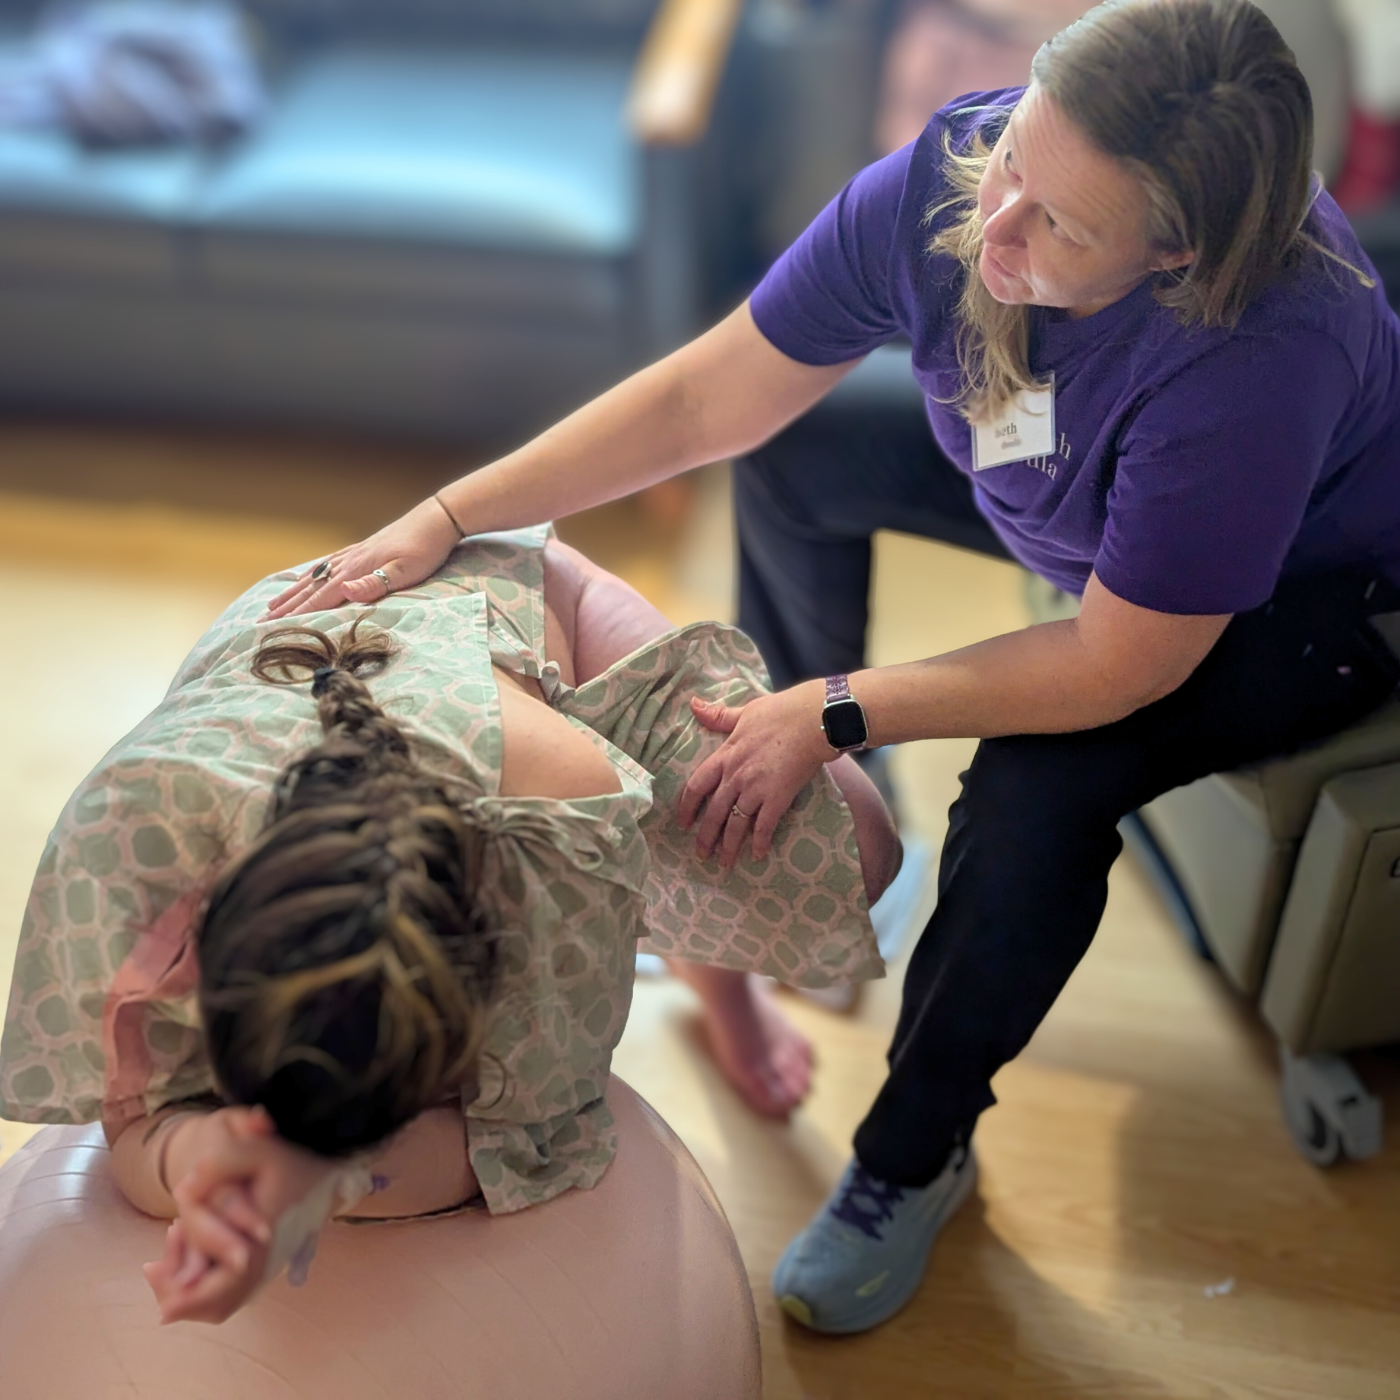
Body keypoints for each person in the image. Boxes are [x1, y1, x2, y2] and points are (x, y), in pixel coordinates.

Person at [256, 0, 1400, 1337]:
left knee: (1036, 796)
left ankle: (911, 1160)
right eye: (1014, 161)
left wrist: (839, 709)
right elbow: (704, 400)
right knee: (797, 452)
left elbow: (1115, 661)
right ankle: (840, 849)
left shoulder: (1262, 352)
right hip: (1080, 505)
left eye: (1061, 227)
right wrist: (454, 514)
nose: (998, 226)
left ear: (1177, 253)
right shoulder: (964, 177)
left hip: (1298, 601)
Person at [0, 529, 898, 1324]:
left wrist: (319, 1185)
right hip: (323, 629)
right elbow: (133, 1116)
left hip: (533, 611)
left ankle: (720, 995)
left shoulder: (561, 809)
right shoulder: (120, 839)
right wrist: (201, 1160)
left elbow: (539, 1132)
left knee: (854, 849)